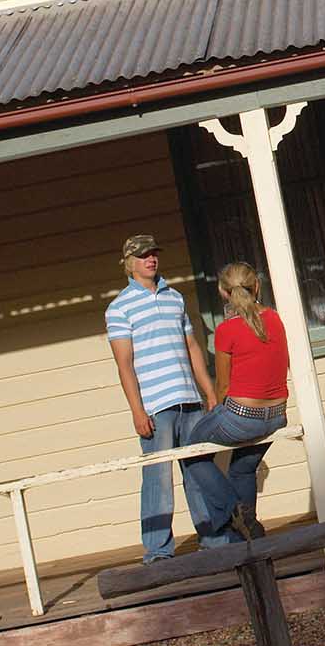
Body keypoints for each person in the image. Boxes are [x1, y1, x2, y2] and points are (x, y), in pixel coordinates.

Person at [104, 234, 224, 561]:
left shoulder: (176, 298)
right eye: (143, 255)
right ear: (129, 263)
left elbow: (193, 347)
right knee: (158, 477)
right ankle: (157, 550)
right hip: (156, 408)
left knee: (199, 470)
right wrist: (136, 410)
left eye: (154, 254)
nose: (151, 259)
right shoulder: (119, 309)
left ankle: (213, 539)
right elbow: (124, 364)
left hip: (190, 400)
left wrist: (209, 391)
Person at [184, 262, 289, 542]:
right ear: (257, 286)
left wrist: (219, 409)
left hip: (243, 415)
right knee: (242, 468)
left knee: (192, 453)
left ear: (222, 291)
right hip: (277, 414)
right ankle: (248, 532)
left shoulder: (227, 330)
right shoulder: (276, 319)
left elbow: (223, 384)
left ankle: (234, 512)